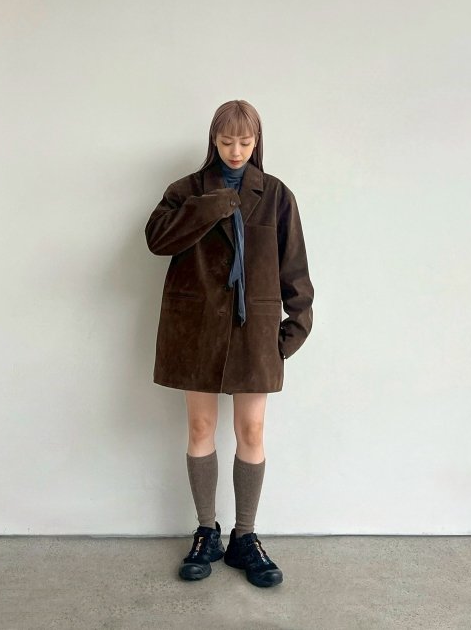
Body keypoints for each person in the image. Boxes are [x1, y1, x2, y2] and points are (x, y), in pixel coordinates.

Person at [144, 100, 314, 588]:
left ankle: (245, 536)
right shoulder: (187, 190)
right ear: (212, 140)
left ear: (257, 141)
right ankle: (206, 532)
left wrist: (292, 332)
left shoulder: (276, 194)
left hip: (255, 332)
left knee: (252, 431)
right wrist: (213, 204)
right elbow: (157, 240)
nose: (235, 151)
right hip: (195, 329)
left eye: (245, 141)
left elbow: (294, 267)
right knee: (200, 426)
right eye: (226, 141)